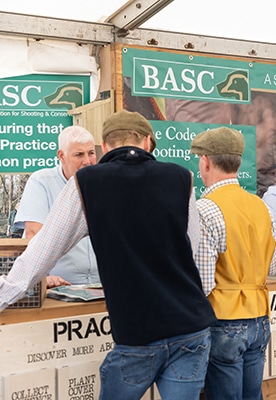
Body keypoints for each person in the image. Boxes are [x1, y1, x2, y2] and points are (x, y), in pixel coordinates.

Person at [0, 110, 217, 399]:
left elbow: (41, 252)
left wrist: (4, 295)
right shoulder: (181, 177)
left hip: (139, 333)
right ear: (147, 141)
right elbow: (190, 247)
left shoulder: (87, 182)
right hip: (191, 325)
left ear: (104, 147)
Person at [191, 126, 276, 400]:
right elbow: (274, 264)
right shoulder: (259, 204)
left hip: (224, 318)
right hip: (260, 317)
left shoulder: (205, 208)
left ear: (205, 161)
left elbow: (203, 281)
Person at [15, 126, 98, 288]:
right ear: (61, 156)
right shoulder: (41, 181)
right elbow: (33, 233)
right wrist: (44, 277)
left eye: (91, 153)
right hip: (59, 286)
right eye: (79, 154)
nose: (87, 161)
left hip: (102, 285)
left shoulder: (103, 181)